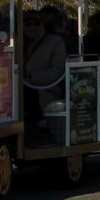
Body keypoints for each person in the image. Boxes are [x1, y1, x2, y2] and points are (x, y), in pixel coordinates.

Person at [22, 10, 66, 145]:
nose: (32, 27)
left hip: (46, 90)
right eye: (28, 24)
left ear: (42, 25)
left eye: (37, 23)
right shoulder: (18, 43)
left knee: (29, 97)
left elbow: (57, 71)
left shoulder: (55, 42)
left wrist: (31, 78)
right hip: (21, 88)